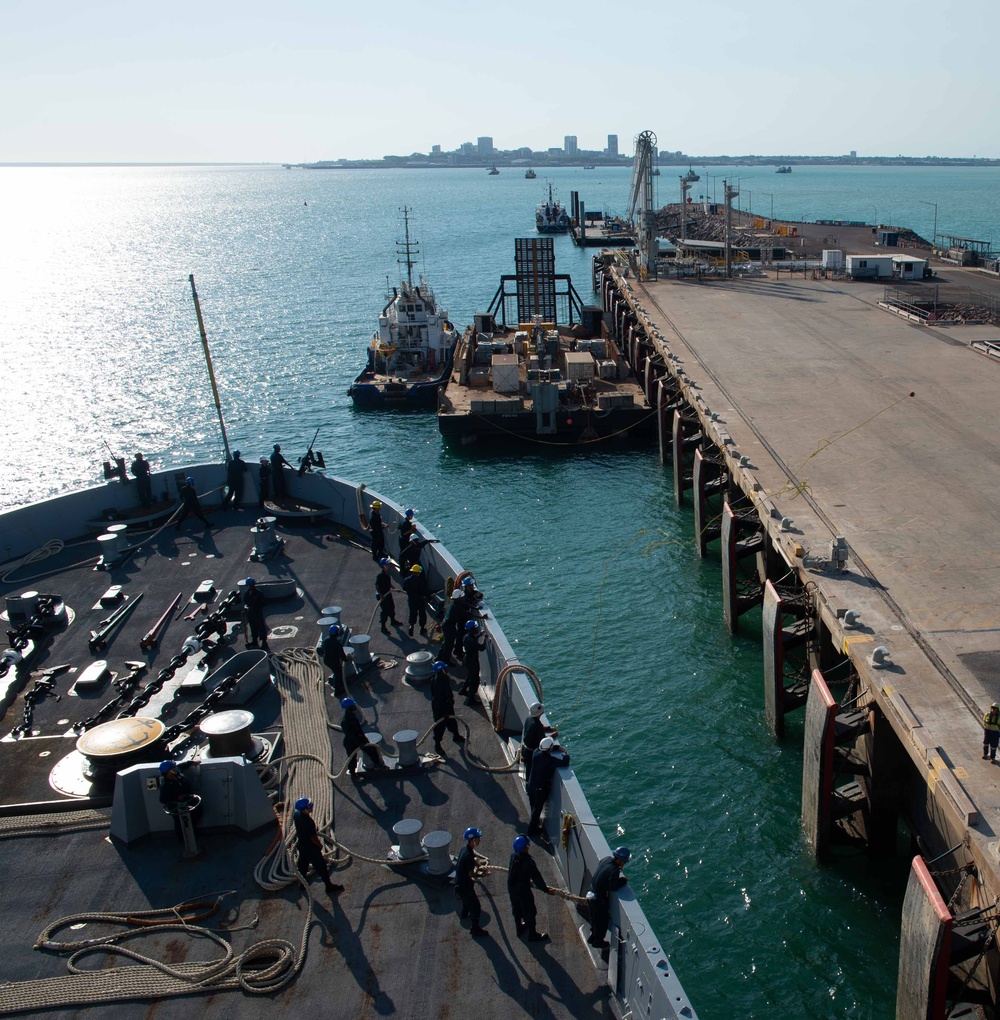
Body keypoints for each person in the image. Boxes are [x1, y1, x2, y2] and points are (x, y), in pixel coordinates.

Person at [292, 797, 343, 896]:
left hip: (301, 845)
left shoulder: (296, 815)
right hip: (311, 848)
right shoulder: (309, 822)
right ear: (305, 809)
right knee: (321, 867)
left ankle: (301, 883)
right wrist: (319, 845)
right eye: (310, 807)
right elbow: (313, 838)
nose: (312, 808)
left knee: (302, 864)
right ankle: (329, 886)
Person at [507, 834, 552, 941]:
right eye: (527, 845)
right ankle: (532, 935)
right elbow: (537, 878)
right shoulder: (528, 862)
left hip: (512, 888)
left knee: (516, 908)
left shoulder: (513, 856)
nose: (529, 847)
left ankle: (519, 928)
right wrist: (546, 889)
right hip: (523, 891)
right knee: (530, 911)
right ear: (524, 847)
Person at [587, 847, 630, 948]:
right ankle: (598, 942)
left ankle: (592, 936)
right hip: (598, 899)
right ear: (619, 860)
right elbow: (613, 886)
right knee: (602, 921)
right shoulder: (614, 870)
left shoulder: (606, 859)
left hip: (590, 892)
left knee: (594, 918)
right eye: (624, 862)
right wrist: (623, 880)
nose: (624, 864)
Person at [526, 736, 570, 836]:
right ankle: (532, 830)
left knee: (533, 807)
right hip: (539, 790)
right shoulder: (549, 760)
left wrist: (556, 747)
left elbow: (545, 748)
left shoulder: (536, 753)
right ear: (550, 748)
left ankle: (534, 824)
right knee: (537, 810)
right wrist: (565, 752)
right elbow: (564, 761)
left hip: (531, 785)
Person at [340, 697, 384, 776]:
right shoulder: (345, 721)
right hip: (350, 742)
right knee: (352, 759)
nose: (355, 706)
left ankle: (378, 765)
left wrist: (364, 738)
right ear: (349, 707)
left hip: (359, 738)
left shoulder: (352, 716)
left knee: (372, 749)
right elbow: (350, 735)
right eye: (353, 705)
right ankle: (353, 774)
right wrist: (359, 743)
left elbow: (359, 729)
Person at [456, 826, 487, 936]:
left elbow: (473, 859)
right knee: (475, 906)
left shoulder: (465, 849)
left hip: (458, 884)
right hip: (465, 886)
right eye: (478, 838)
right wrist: (483, 873)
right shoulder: (468, 855)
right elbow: (471, 874)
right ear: (473, 840)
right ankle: (475, 929)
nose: (479, 840)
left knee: (466, 901)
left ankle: (464, 914)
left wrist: (479, 865)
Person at [158, 760, 200, 841]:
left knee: (197, 813)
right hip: (177, 807)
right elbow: (162, 799)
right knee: (180, 823)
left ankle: (193, 834)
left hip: (187, 800)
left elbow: (181, 766)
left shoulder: (176, 773)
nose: (175, 768)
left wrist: (191, 762)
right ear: (169, 771)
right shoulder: (166, 785)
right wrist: (176, 797)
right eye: (173, 767)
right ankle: (183, 839)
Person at [430, 660, 465, 755]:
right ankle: (437, 745)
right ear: (441, 670)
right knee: (439, 727)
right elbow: (437, 699)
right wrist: (442, 712)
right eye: (445, 668)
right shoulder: (438, 682)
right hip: (441, 708)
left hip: (447, 705)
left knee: (452, 721)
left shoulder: (443, 678)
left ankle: (456, 735)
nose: (446, 669)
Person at [521, 703, 556, 785]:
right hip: (530, 753)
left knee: (527, 768)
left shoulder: (529, 718)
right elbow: (543, 740)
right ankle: (529, 786)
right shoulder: (536, 725)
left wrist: (548, 728)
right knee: (530, 773)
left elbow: (539, 727)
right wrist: (552, 735)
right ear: (540, 713)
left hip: (524, 749)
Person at [458, 619, 487, 704]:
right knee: (474, 680)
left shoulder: (466, 636)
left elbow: (473, 639)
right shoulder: (471, 640)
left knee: (470, 675)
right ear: (472, 629)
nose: (477, 629)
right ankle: (471, 699)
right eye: (476, 628)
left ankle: (463, 690)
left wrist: (479, 635)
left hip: (467, 658)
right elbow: (482, 648)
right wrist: (485, 639)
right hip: (472, 660)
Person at [322, 624, 351, 697]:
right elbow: (342, 655)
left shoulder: (326, 640)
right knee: (338, 674)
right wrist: (347, 659)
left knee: (335, 671)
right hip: (334, 662)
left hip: (326, 660)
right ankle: (337, 691)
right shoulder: (337, 644)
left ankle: (338, 683)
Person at [440, 589, 467, 664]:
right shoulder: (456, 606)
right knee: (449, 643)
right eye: (461, 597)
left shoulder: (453, 603)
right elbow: (466, 613)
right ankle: (446, 660)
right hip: (449, 626)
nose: (462, 598)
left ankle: (440, 656)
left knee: (446, 642)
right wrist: (481, 617)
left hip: (446, 624)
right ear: (458, 598)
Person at [243, 577, 270, 651]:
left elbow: (263, 603)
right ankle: (254, 641)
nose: (249, 586)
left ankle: (264, 642)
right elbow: (245, 600)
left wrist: (255, 606)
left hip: (257, 613)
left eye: (251, 585)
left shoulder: (258, 593)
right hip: (250, 613)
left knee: (261, 627)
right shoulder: (247, 593)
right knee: (253, 627)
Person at [402, 563, 428, 636]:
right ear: (418, 572)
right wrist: (428, 598)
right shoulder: (420, 581)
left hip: (411, 599)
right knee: (422, 614)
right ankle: (422, 629)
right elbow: (423, 592)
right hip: (419, 600)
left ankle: (411, 626)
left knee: (412, 613)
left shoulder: (407, 580)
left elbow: (404, 588)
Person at [375, 557, 399, 634]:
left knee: (392, 607)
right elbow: (377, 586)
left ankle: (393, 620)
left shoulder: (387, 573)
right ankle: (383, 627)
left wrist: (394, 588)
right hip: (382, 595)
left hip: (388, 593)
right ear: (384, 566)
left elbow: (388, 583)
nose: (389, 565)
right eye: (388, 564)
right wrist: (381, 595)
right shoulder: (380, 576)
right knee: (385, 611)